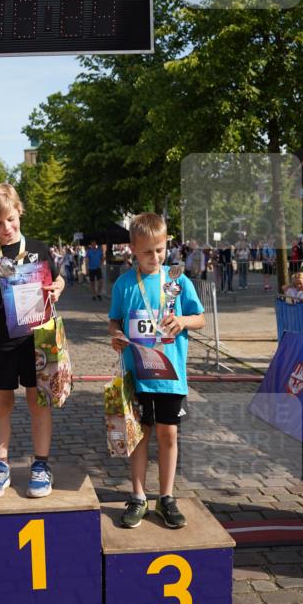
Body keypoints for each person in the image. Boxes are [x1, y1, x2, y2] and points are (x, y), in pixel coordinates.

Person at [108, 213, 205, 530]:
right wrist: (117, 335)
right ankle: (137, 496)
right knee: (139, 436)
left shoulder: (178, 280)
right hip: (138, 375)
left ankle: (166, 496)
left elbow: (199, 317)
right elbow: (115, 320)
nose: (155, 257)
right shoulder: (124, 284)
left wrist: (183, 322)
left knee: (168, 434)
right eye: (148, 251)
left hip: (170, 375)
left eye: (160, 250)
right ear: (133, 249)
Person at [0, 183, 64, 500]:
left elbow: (58, 278)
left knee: (38, 402)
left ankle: (40, 465)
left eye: (11, 219)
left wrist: (60, 287)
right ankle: (0, 466)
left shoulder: (39, 248)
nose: (7, 228)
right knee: (2, 404)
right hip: (0, 341)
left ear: (19, 211)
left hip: (37, 339)